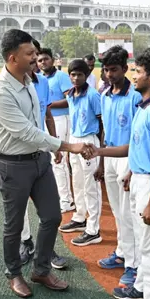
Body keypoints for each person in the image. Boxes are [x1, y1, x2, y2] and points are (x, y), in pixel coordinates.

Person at [0, 29, 87, 299]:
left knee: (52, 216)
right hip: (13, 165)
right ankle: (14, 273)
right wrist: (66, 146)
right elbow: (25, 132)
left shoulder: (29, 81)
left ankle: (41, 269)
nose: (36, 57)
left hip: (39, 160)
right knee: (14, 225)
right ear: (12, 58)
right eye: (30, 53)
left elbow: (38, 121)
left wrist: (50, 148)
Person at [83, 48, 150, 299]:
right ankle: (142, 287)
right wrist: (106, 156)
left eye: (139, 71)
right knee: (142, 240)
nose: (135, 76)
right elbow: (133, 147)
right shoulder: (144, 107)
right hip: (140, 178)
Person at [94, 45, 142, 289]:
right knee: (117, 211)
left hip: (127, 157)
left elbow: (138, 137)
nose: (109, 74)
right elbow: (104, 132)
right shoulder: (104, 95)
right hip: (110, 156)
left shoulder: (135, 97)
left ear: (125, 68)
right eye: (106, 70)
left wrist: (132, 168)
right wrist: (102, 163)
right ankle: (122, 252)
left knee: (128, 213)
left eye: (114, 69)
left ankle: (133, 265)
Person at [19, 40, 67, 270]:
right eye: (31, 54)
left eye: (37, 55)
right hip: (18, 155)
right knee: (20, 206)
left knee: (48, 208)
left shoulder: (43, 83)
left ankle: (46, 249)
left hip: (41, 151)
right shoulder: (9, 85)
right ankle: (25, 242)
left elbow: (47, 114)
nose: (35, 59)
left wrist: (55, 144)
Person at [57, 59, 103, 247]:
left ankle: (93, 229)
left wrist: (99, 150)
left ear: (86, 75)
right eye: (73, 75)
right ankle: (80, 217)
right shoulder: (71, 94)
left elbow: (101, 123)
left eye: (80, 75)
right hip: (75, 139)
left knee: (91, 185)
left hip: (89, 140)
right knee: (77, 181)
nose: (76, 78)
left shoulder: (92, 95)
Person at [38, 48, 75, 213]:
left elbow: (70, 99)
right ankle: (60, 195)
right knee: (51, 160)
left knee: (60, 159)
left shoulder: (61, 76)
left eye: (46, 59)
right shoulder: (40, 79)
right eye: (40, 60)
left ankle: (67, 200)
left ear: (52, 60)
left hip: (61, 119)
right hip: (47, 120)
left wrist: (49, 105)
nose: (43, 62)